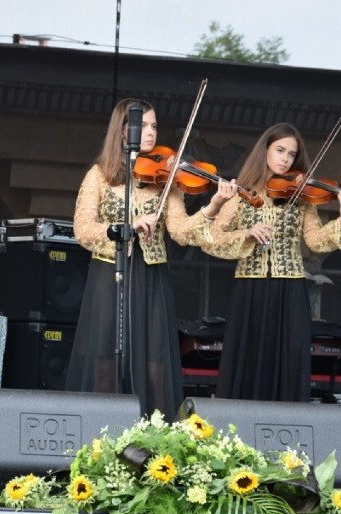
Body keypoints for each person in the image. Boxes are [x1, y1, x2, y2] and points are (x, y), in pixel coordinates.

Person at [66, 98, 236, 420]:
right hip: (109, 273)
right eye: (142, 126)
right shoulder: (99, 175)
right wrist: (127, 228)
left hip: (151, 276)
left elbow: (182, 232)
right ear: (122, 131)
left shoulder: (167, 177)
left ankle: (153, 434)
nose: (150, 133)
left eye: (154, 126)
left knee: (155, 358)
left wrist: (212, 206)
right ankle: (104, 429)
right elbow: (83, 229)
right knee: (106, 355)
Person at [201, 122, 341, 402]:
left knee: (289, 358)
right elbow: (211, 238)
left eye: (291, 154)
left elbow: (315, 240)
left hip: (290, 290)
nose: (285, 159)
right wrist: (247, 234)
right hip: (251, 291)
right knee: (248, 359)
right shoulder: (242, 194)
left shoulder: (301, 197)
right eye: (280, 150)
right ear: (265, 151)